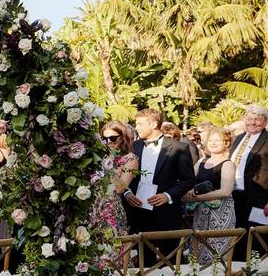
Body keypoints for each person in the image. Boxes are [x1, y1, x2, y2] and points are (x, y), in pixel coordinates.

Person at [125, 108, 195, 236]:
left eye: (140, 124)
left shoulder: (179, 148)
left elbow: (188, 180)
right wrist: (127, 193)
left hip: (166, 212)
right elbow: (122, 175)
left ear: (153, 124)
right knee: (144, 255)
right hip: (138, 211)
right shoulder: (133, 146)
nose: (136, 127)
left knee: (169, 254)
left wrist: (167, 195)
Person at [186, 129, 236, 265]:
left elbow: (225, 191)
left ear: (226, 143)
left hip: (220, 214)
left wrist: (197, 198)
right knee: (197, 250)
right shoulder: (201, 161)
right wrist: (189, 192)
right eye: (211, 140)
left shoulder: (228, 164)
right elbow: (190, 182)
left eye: (217, 140)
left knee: (216, 252)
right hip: (200, 213)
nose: (213, 143)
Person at [229, 105, 268, 234]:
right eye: (249, 118)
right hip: (234, 197)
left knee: (257, 241)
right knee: (237, 239)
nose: (252, 122)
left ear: (266, 121)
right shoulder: (238, 138)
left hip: (259, 200)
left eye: (258, 119)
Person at [96, 120, 139, 236]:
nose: (108, 142)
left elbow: (120, 188)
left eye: (113, 138)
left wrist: (110, 168)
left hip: (111, 210)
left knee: (115, 249)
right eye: (105, 139)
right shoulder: (100, 155)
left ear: (122, 137)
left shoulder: (130, 158)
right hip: (94, 208)